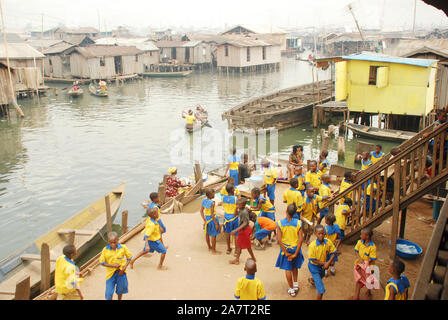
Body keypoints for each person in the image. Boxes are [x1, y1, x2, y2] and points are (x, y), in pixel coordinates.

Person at [275, 204, 304, 297]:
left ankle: (291, 289)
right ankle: (295, 285)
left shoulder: (280, 223)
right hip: (295, 248)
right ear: (295, 213)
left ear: (286, 211)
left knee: (288, 268)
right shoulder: (299, 223)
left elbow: (279, 240)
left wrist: (286, 253)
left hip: (285, 249)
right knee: (294, 266)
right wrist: (295, 253)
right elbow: (300, 239)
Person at [99, 232, 133, 300]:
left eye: (114, 242)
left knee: (121, 289)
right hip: (110, 274)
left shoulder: (123, 248)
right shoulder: (105, 250)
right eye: (111, 243)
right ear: (108, 241)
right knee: (108, 293)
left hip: (121, 273)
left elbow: (129, 258)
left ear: (118, 240)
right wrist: (112, 265)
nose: (113, 244)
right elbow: (102, 263)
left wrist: (123, 269)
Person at [307, 225, 337, 300]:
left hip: (322, 267)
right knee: (321, 290)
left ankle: (313, 280)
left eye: (322, 233)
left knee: (322, 275)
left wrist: (329, 262)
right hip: (314, 267)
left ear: (325, 233)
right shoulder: (312, 245)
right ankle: (315, 280)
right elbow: (313, 260)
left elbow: (334, 252)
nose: (321, 235)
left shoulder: (328, 242)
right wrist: (325, 263)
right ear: (315, 234)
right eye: (319, 234)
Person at [350, 227, 377, 300]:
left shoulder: (373, 247)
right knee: (359, 279)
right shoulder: (359, 242)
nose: (360, 236)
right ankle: (356, 296)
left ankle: (368, 292)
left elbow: (371, 259)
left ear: (367, 236)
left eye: (361, 235)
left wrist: (364, 264)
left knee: (369, 280)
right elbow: (356, 251)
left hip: (369, 267)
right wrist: (360, 259)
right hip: (360, 265)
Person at [200, 188, 221, 255]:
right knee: (213, 235)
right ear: (210, 195)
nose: (214, 194)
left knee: (207, 234)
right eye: (213, 193)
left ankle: (209, 247)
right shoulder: (212, 203)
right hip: (212, 220)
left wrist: (204, 219)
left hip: (207, 219)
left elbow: (201, 211)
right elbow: (212, 214)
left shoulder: (204, 200)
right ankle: (214, 251)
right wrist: (216, 224)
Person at [222, 184, 239, 255]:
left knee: (227, 233)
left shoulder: (223, 198)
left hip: (226, 218)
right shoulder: (235, 198)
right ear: (232, 190)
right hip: (234, 218)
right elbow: (236, 208)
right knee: (236, 234)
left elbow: (223, 206)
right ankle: (236, 251)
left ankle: (228, 248)